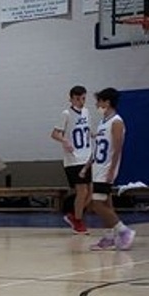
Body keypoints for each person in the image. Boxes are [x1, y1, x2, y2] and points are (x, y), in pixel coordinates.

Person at [82, 87, 135, 251]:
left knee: (96, 205)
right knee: (104, 203)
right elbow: (98, 147)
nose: (97, 105)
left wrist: (112, 169)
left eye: (99, 101)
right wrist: (87, 166)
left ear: (107, 102)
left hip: (106, 168)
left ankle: (124, 231)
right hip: (98, 167)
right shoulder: (103, 122)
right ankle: (109, 237)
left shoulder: (116, 121)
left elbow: (118, 147)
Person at [51, 85, 92, 234]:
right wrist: (64, 141)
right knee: (82, 191)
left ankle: (74, 216)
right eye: (78, 98)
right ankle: (78, 221)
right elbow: (54, 134)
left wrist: (94, 135)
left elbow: (86, 131)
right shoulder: (66, 114)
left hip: (87, 157)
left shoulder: (87, 112)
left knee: (91, 193)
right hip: (73, 159)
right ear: (71, 98)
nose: (81, 101)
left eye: (83, 98)